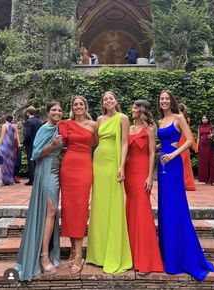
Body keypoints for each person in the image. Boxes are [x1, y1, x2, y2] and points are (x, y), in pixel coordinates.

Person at [157, 90, 214, 281]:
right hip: (162, 165)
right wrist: (159, 149)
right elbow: (163, 141)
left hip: (173, 165)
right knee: (165, 208)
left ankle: (180, 258)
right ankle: (168, 255)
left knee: (176, 207)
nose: (164, 101)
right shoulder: (160, 122)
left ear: (171, 101)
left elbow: (190, 141)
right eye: (161, 99)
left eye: (167, 98)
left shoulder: (178, 117)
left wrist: (174, 154)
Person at [16, 101, 63, 281]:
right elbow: (35, 154)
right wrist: (52, 146)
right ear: (48, 112)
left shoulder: (60, 128)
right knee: (51, 210)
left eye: (59, 110)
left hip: (57, 170)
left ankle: (49, 250)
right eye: (54, 110)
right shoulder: (44, 128)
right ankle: (44, 256)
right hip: (45, 171)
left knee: (51, 211)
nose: (57, 112)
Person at [86, 91, 132, 274]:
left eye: (111, 98)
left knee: (114, 204)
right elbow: (95, 141)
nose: (109, 100)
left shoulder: (123, 118)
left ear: (116, 101)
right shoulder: (99, 119)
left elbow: (125, 143)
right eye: (105, 99)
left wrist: (121, 166)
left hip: (114, 162)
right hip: (99, 162)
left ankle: (113, 252)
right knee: (99, 205)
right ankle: (97, 254)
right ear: (103, 103)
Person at [124, 100, 164, 274]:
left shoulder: (149, 129)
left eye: (134, 108)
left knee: (143, 211)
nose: (132, 110)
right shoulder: (129, 128)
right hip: (129, 173)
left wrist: (150, 176)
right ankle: (130, 256)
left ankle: (146, 259)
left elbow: (152, 153)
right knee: (131, 211)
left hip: (141, 172)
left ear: (141, 110)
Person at [58, 96, 97, 274]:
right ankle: (73, 250)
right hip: (68, 166)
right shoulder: (65, 124)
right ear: (72, 107)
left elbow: (96, 142)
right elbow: (61, 143)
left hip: (84, 166)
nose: (78, 106)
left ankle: (79, 254)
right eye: (75, 104)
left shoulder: (93, 124)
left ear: (85, 106)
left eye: (81, 104)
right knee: (68, 207)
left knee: (80, 208)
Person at [178, 103, 198, 191]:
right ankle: (187, 183)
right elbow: (189, 132)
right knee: (185, 164)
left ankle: (183, 183)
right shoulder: (186, 119)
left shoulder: (179, 118)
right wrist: (193, 145)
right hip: (184, 141)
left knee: (180, 164)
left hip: (180, 141)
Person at [0, 115, 18, 185]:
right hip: (10, 147)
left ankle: (0, 180)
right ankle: (8, 180)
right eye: (13, 118)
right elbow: (15, 138)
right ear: (11, 119)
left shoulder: (4, 125)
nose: (14, 120)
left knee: (1, 163)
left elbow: (2, 137)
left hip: (4, 146)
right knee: (9, 163)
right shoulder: (15, 126)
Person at [23, 106, 42, 186]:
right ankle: (38, 179)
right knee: (38, 162)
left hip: (31, 144)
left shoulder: (29, 122)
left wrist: (25, 143)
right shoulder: (39, 121)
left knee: (31, 161)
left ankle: (32, 180)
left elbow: (27, 135)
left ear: (27, 113)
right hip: (39, 143)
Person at [197, 115, 214, 185]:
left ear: (208, 119)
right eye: (203, 118)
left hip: (210, 145)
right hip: (202, 145)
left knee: (211, 162)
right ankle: (205, 179)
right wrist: (197, 146)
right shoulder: (199, 127)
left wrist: (212, 136)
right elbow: (198, 138)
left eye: (205, 118)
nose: (204, 119)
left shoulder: (211, 126)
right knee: (204, 162)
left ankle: (212, 179)